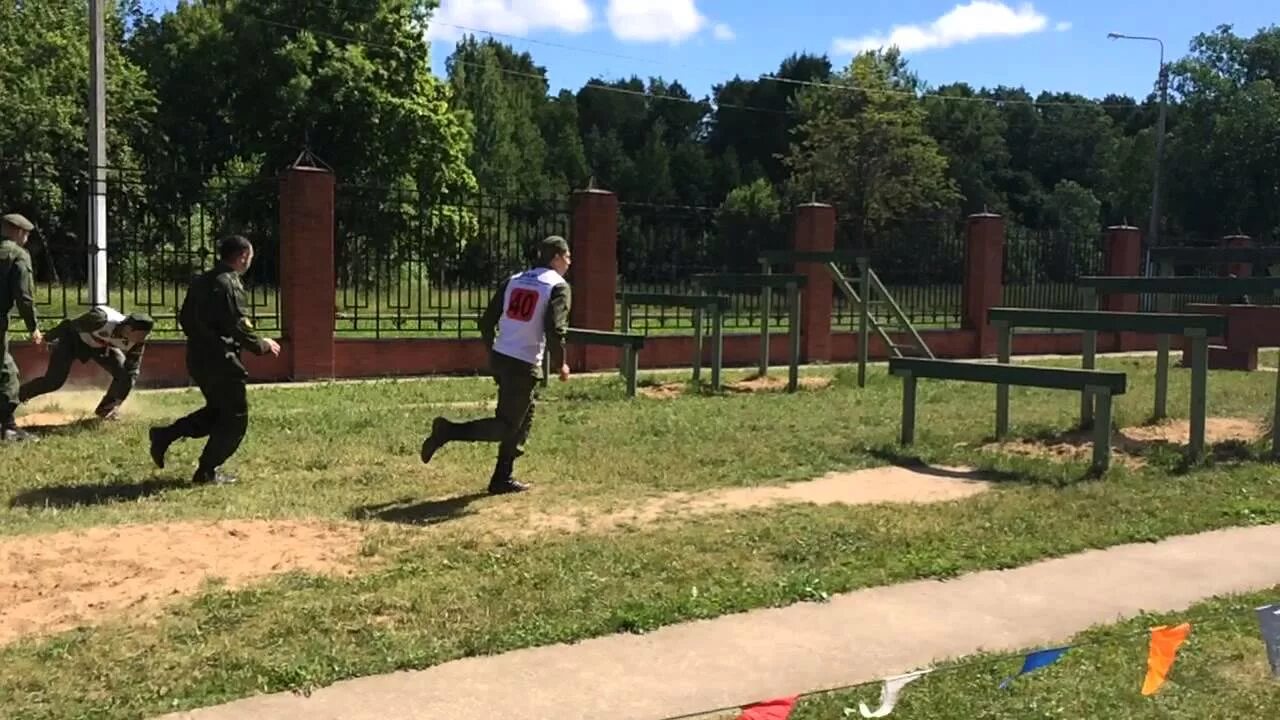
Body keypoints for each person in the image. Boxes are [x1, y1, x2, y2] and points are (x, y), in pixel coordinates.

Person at [419, 235, 572, 494]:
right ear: (556, 257)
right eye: (568, 256)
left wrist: (496, 351)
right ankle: (447, 431)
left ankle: (502, 477)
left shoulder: (514, 280)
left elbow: (486, 321)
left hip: (502, 358)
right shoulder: (558, 286)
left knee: (524, 417)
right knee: (506, 425)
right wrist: (561, 364)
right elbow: (555, 329)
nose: (570, 262)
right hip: (523, 362)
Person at [148, 235, 280, 485]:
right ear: (242, 256)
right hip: (223, 360)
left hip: (198, 357)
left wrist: (203, 340)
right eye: (249, 257)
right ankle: (206, 471)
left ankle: (164, 435)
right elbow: (238, 326)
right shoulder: (229, 283)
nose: (249, 262)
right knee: (235, 419)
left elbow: (185, 318)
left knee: (218, 411)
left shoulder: (201, 281)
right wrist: (261, 345)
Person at [19, 306, 155, 420]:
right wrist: (46, 338)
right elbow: (69, 325)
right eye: (141, 335)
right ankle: (17, 396)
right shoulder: (101, 319)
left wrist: (117, 400)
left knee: (124, 375)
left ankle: (106, 410)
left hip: (101, 347)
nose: (142, 339)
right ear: (129, 329)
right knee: (54, 382)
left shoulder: (137, 343)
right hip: (72, 341)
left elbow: (131, 370)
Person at [1, 213, 43, 442]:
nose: (26, 237)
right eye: (26, 233)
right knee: (7, 373)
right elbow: (24, 297)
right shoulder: (17, 255)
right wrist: (33, 327)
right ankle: (8, 427)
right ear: (18, 231)